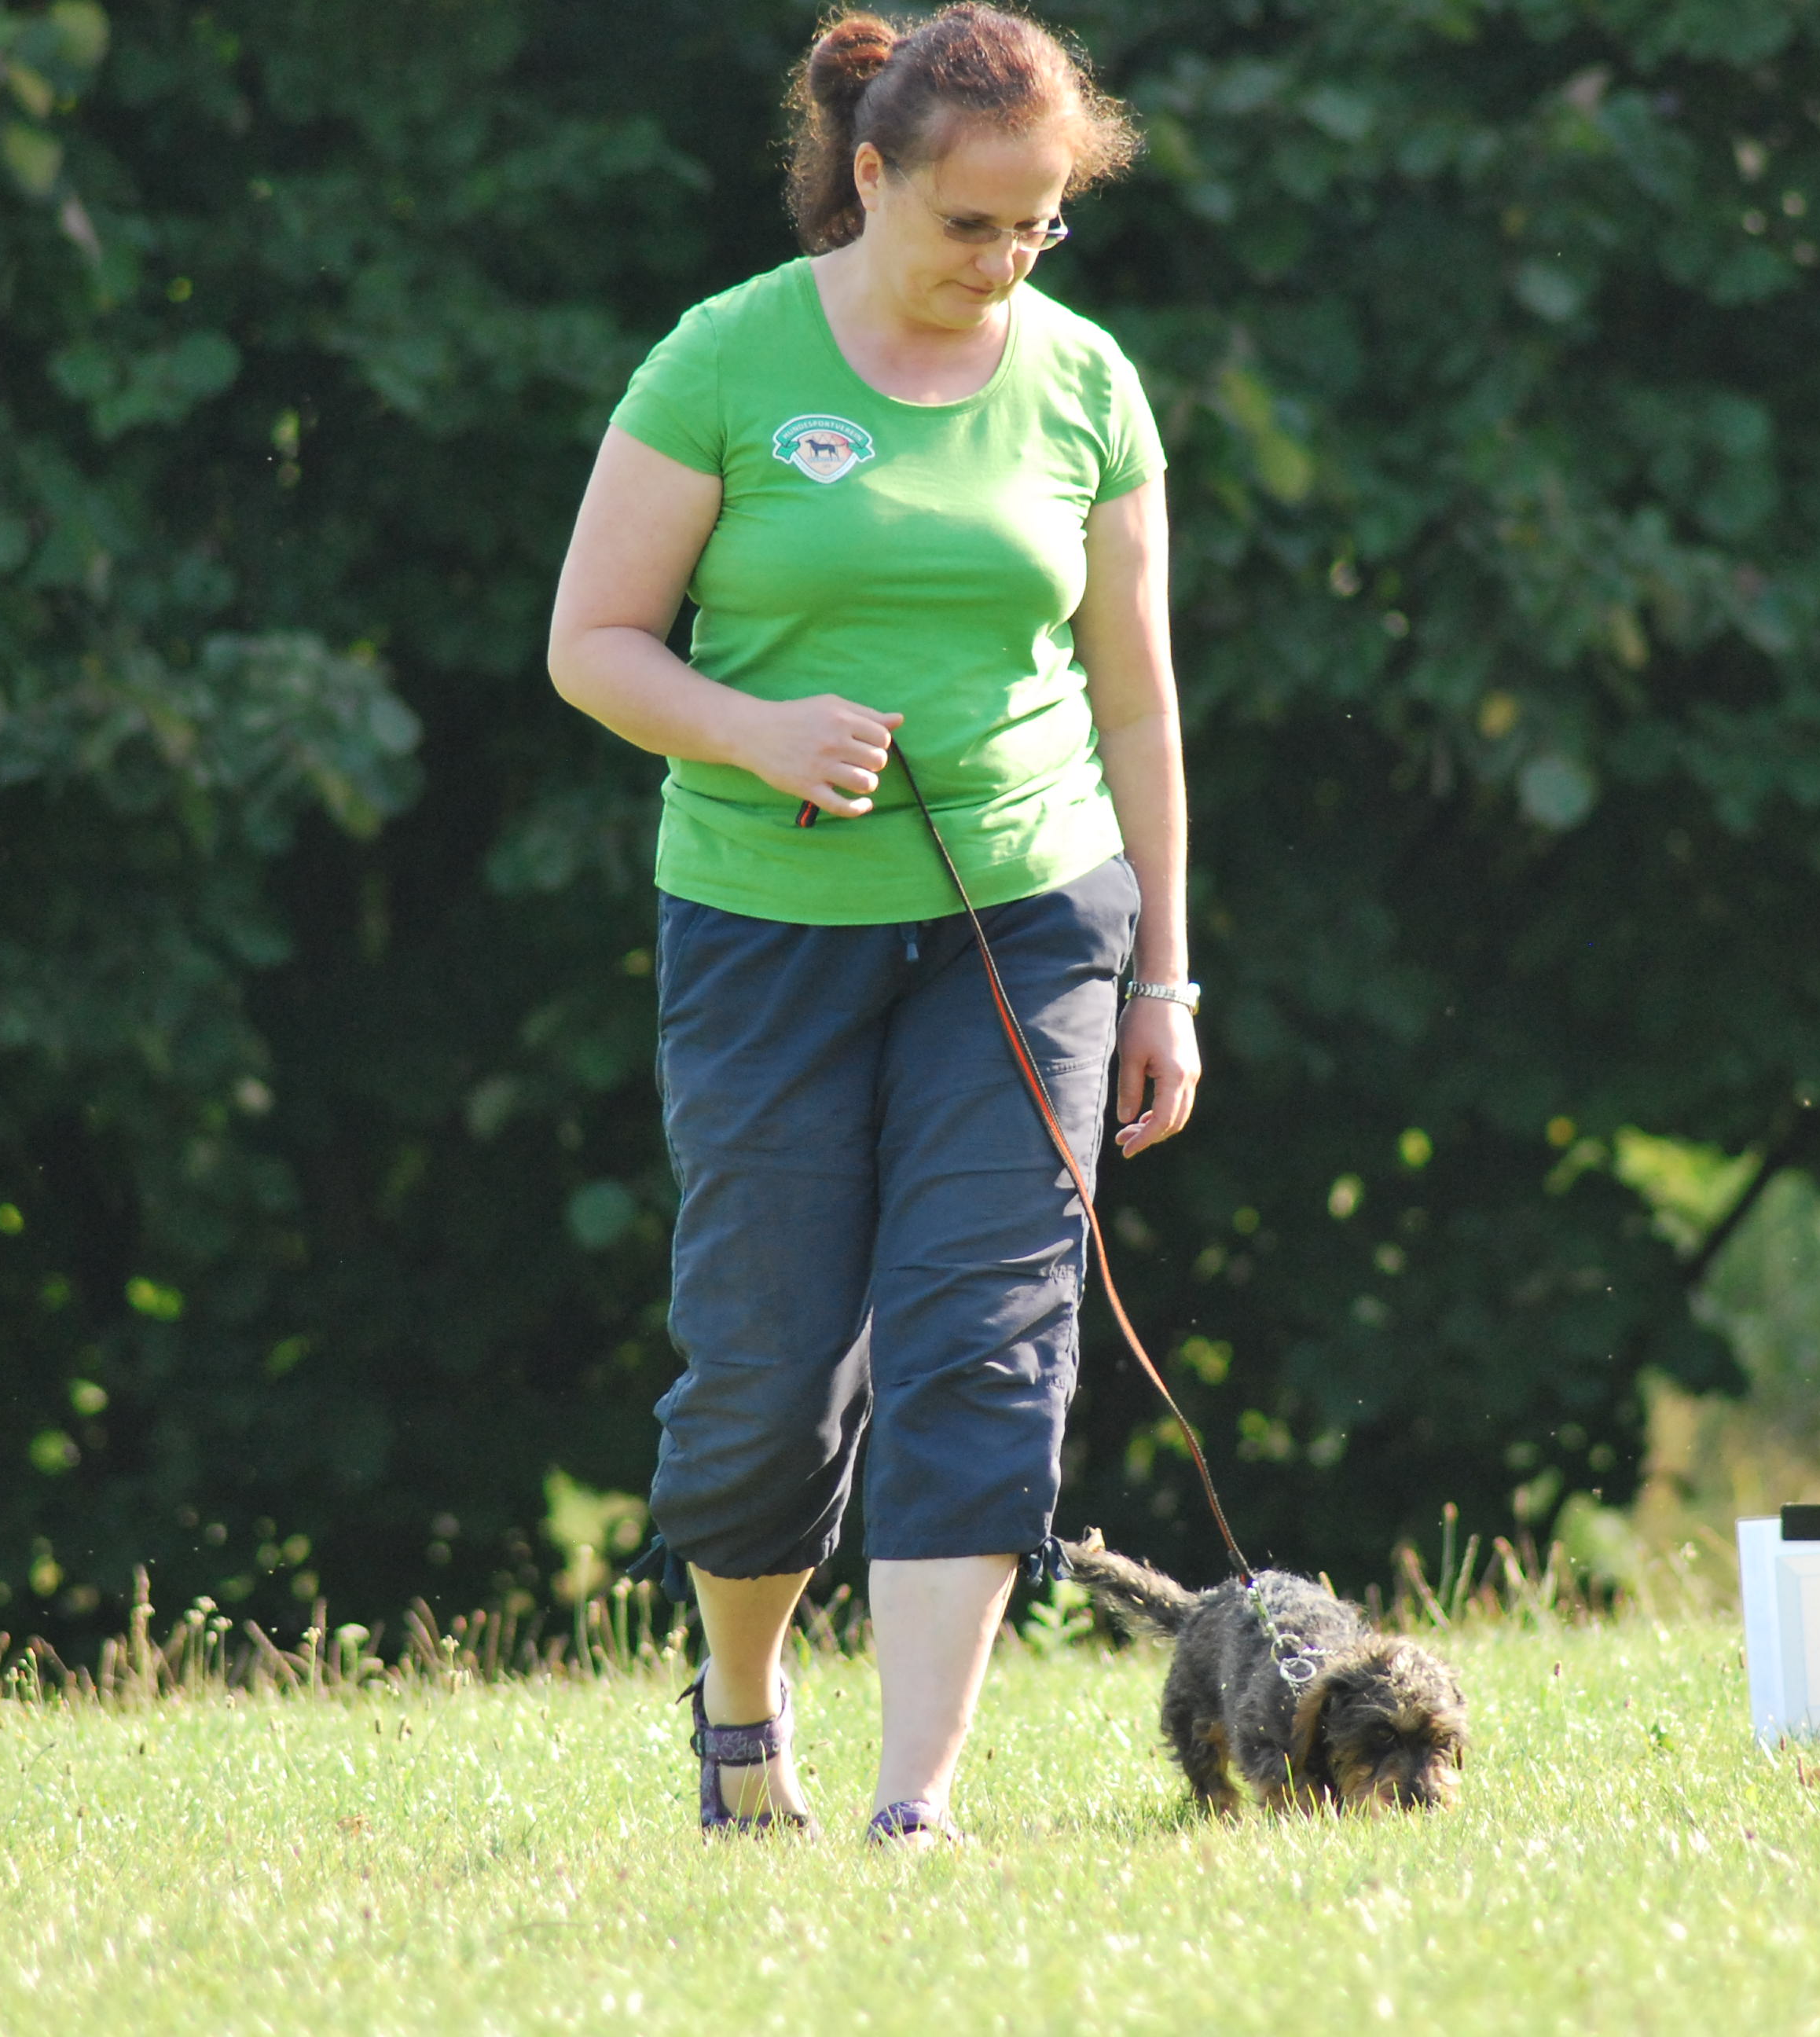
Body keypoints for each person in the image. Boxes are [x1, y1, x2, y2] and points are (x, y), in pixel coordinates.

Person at [546, 2, 1197, 1848]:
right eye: (968, 225)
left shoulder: (1085, 383)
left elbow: (1136, 699)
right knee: (766, 1366)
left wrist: (1165, 973)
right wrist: (754, 730)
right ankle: (742, 1713)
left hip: (1030, 916)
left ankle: (916, 1805)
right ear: (870, 176)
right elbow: (590, 643)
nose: (1002, 264)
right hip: (768, 924)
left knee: (989, 1341)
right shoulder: (724, 359)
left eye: (1037, 228)